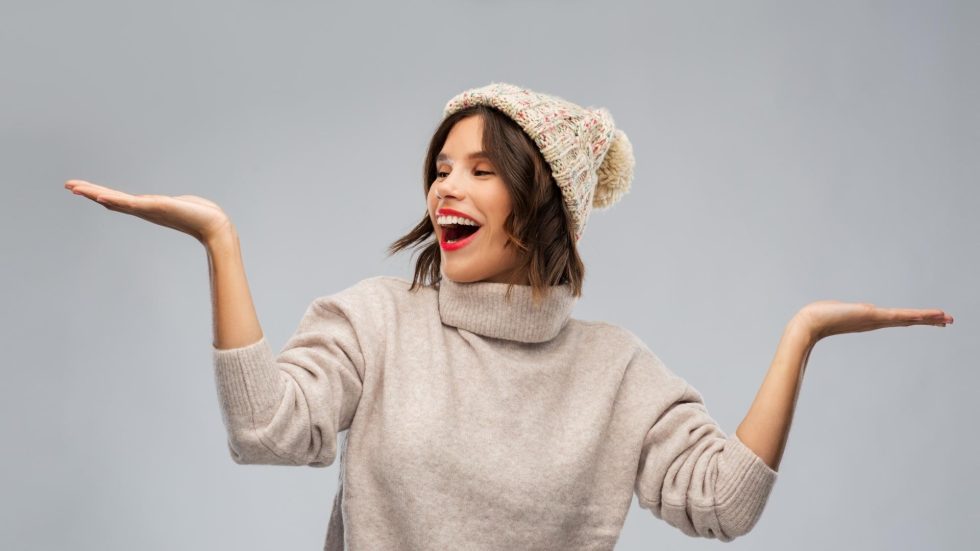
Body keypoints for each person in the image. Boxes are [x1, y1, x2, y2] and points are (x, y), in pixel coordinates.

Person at [64, 82, 954, 550]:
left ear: (542, 204)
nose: (447, 184)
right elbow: (265, 429)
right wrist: (220, 239)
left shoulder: (616, 373)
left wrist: (800, 335)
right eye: (442, 166)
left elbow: (722, 504)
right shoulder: (376, 323)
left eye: (481, 169)